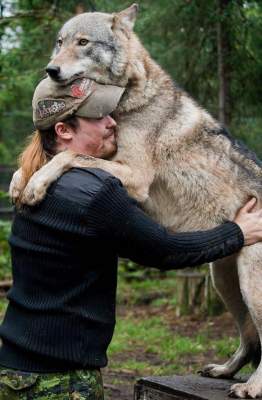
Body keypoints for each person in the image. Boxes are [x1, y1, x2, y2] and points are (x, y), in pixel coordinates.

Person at [0, 76, 262, 400]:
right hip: (61, 382)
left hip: (14, 367)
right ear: (63, 130)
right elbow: (165, 252)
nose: (113, 123)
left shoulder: (30, 183)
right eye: (98, 116)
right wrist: (238, 232)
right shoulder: (94, 193)